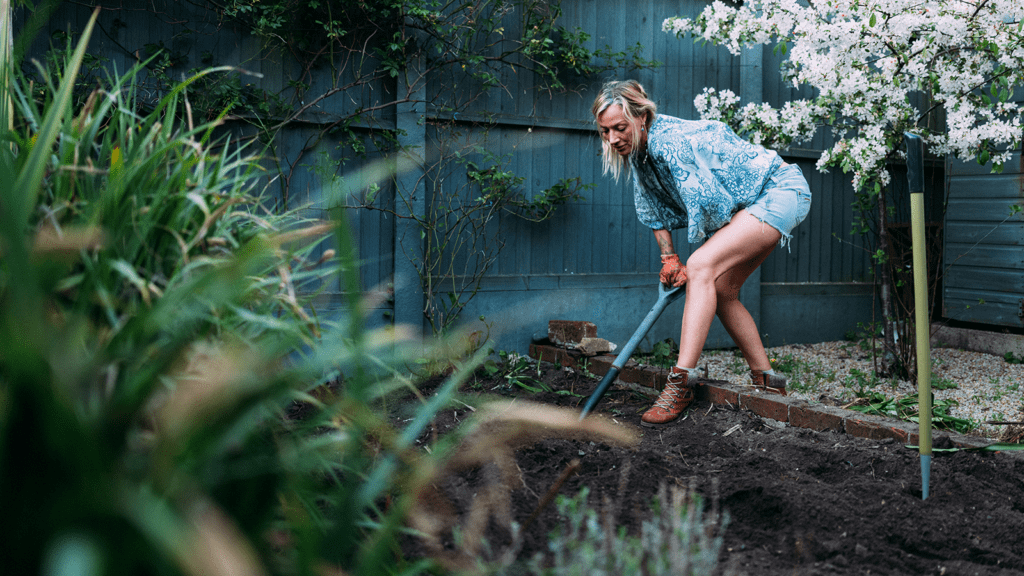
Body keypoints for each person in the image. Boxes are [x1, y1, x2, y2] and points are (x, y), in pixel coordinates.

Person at [591, 80, 811, 427]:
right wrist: (668, 259)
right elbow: (649, 205)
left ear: (642, 117)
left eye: (620, 128)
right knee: (722, 291)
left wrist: (690, 264)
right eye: (605, 132)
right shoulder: (639, 152)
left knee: (702, 265)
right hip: (756, 202)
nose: (613, 139)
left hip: (781, 190)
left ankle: (681, 381)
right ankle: (768, 382)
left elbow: (709, 202)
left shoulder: (672, 142)